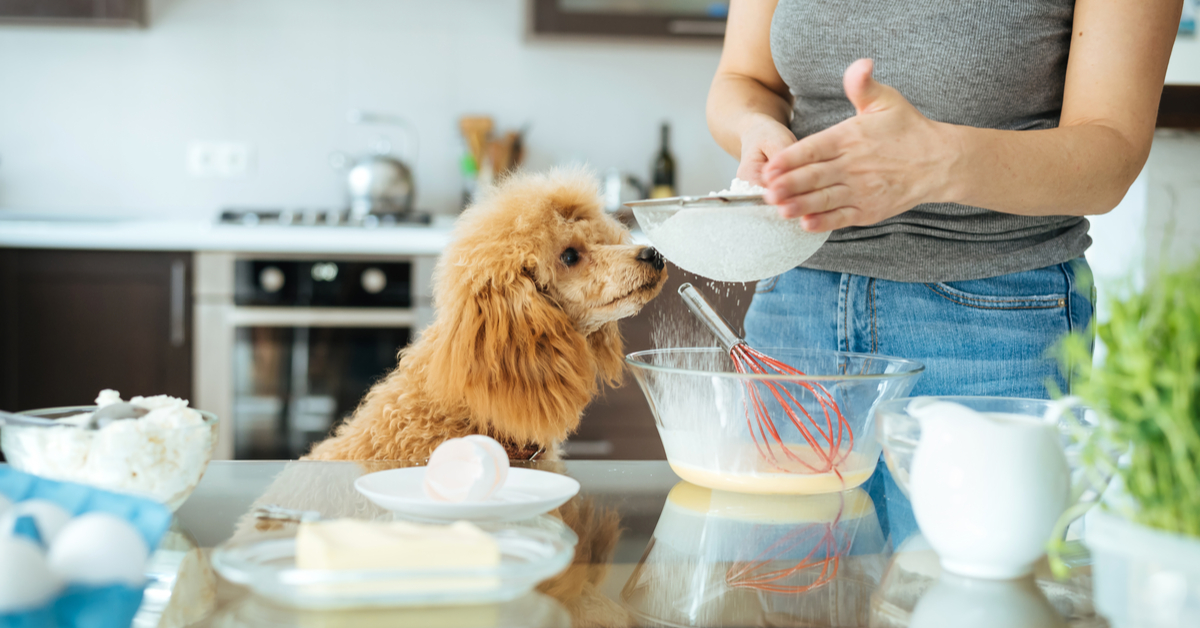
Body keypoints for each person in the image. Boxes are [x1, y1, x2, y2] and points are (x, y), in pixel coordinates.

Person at [706, 0, 1181, 543]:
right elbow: (741, 79)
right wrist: (757, 128)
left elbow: (1111, 154)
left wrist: (942, 162)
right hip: (795, 306)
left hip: (991, 320)